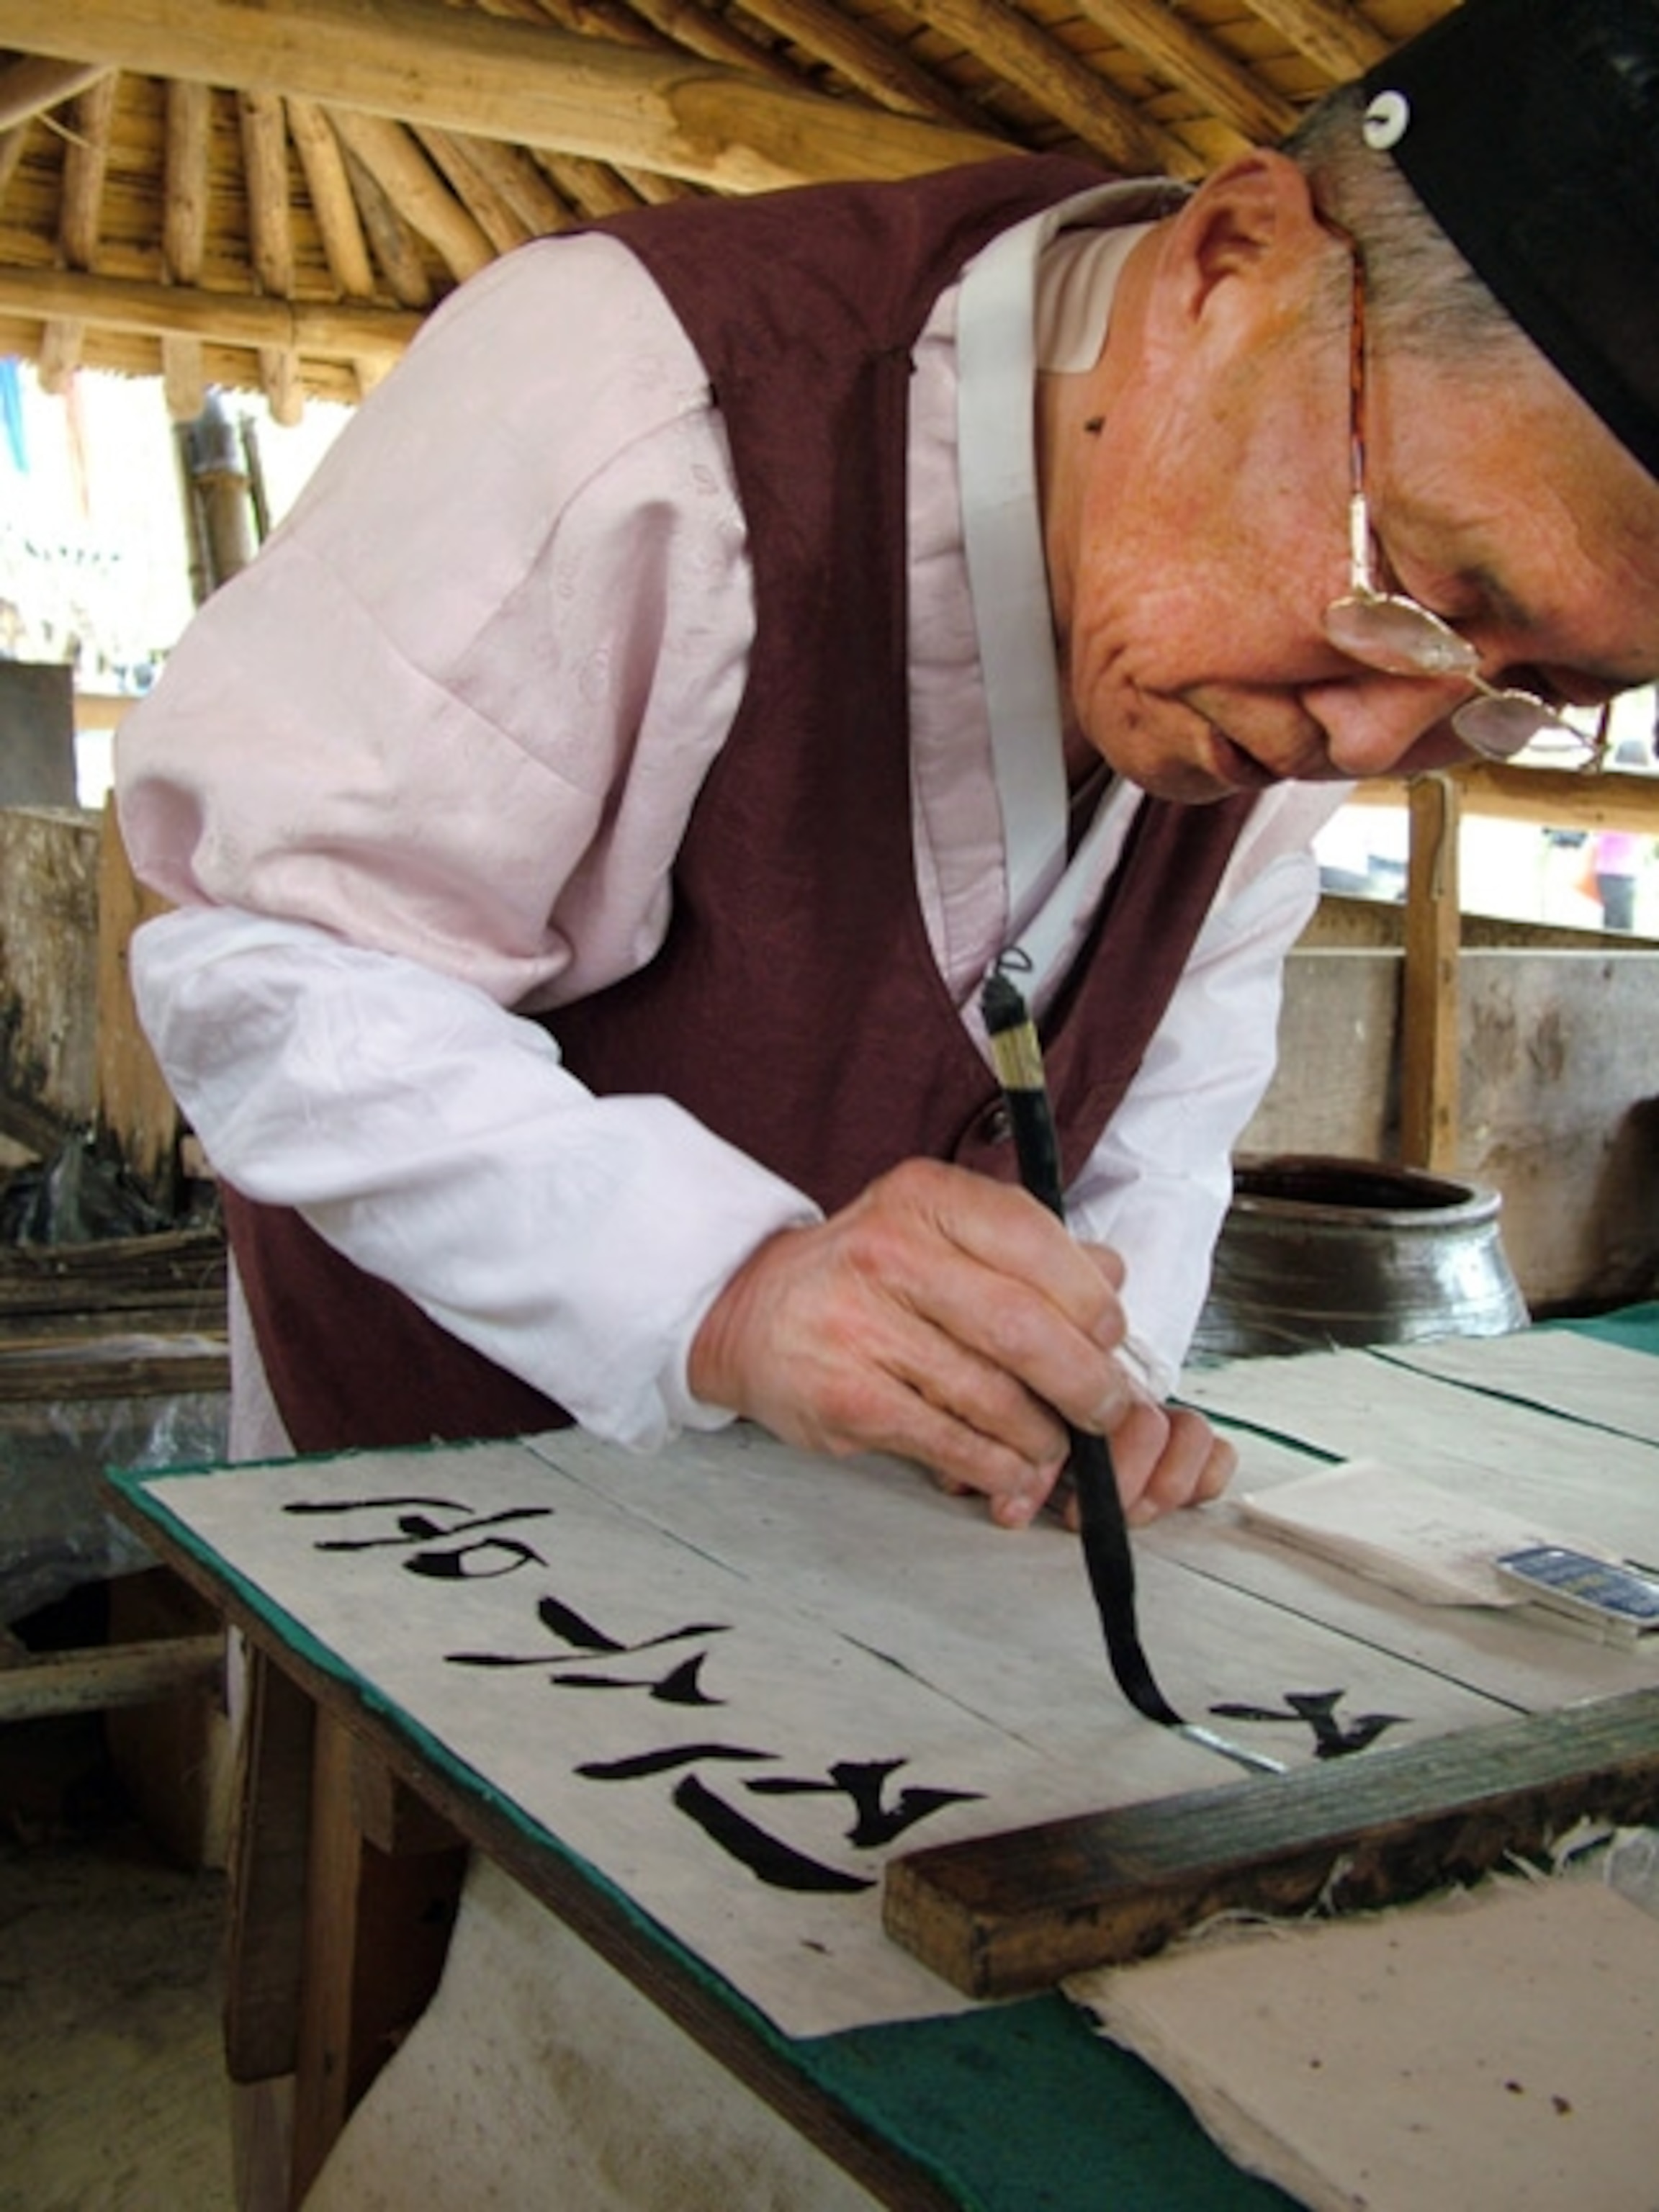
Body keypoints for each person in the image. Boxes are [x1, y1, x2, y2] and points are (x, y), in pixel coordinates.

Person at [115, 0, 1659, 1548]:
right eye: (1408, 576)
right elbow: (271, 965)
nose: (1380, 738)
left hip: (884, 1615)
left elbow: (1164, 1105)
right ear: (1231, 266)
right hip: (447, 1542)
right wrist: (724, 1289)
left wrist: (1092, 1381)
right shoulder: (644, 398)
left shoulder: (1322, 669)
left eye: (1536, 688)